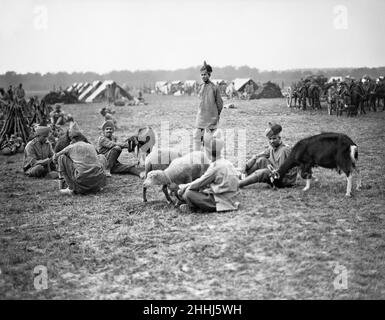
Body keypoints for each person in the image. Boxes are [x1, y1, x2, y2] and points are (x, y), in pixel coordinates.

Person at [178, 134, 240, 213]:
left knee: (188, 193)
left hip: (222, 201)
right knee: (198, 189)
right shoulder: (227, 163)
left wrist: (184, 187)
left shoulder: (215, 167)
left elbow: (200, 182)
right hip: (233, 198)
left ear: (208, 151)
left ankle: (193, 208)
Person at [53, 122, 107, 195]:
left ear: (72, 139)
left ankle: (71, 188)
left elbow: (55, 157)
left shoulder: (70, 146)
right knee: (101, 157)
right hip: (96, 183)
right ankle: (100, 186)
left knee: (61, 158)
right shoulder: (90, 146)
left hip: (81, 182)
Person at [239, 123, 297, 188]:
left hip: (284, 180)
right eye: (270, 139)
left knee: (263, 172)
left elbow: (282, 170)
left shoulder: (285, 150)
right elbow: (258, 156)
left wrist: (271, 170)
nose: (272, 141)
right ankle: (242, 177)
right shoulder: (272, 147)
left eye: (274, 138)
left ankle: (239, 184)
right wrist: (246, 166)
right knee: (261, 160)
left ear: (279, 138)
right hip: (275, 172)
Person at [193, 61, 223, 151]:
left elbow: (220, 104)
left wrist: (216, 115)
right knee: (197, 138)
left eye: (205, 74)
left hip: (211, 120)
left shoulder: (214, 87)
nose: (203, 76)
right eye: (202, 75)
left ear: (209, 75)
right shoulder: (200, 87)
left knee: (208, 142)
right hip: (201, 119)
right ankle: (197, 158)